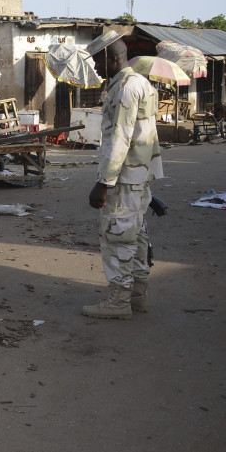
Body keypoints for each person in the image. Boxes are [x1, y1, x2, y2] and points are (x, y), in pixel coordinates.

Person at [83, 31, 163, 319]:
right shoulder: (140, 83)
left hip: (124, 179)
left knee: (117, 236)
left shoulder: (125, 89)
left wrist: (103, 183)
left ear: (112, 57)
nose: (94, 67)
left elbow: (120, 138)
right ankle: (137, 297)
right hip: (138, 177)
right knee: (136, 236)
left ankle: (119, 302)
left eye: (96, 61)